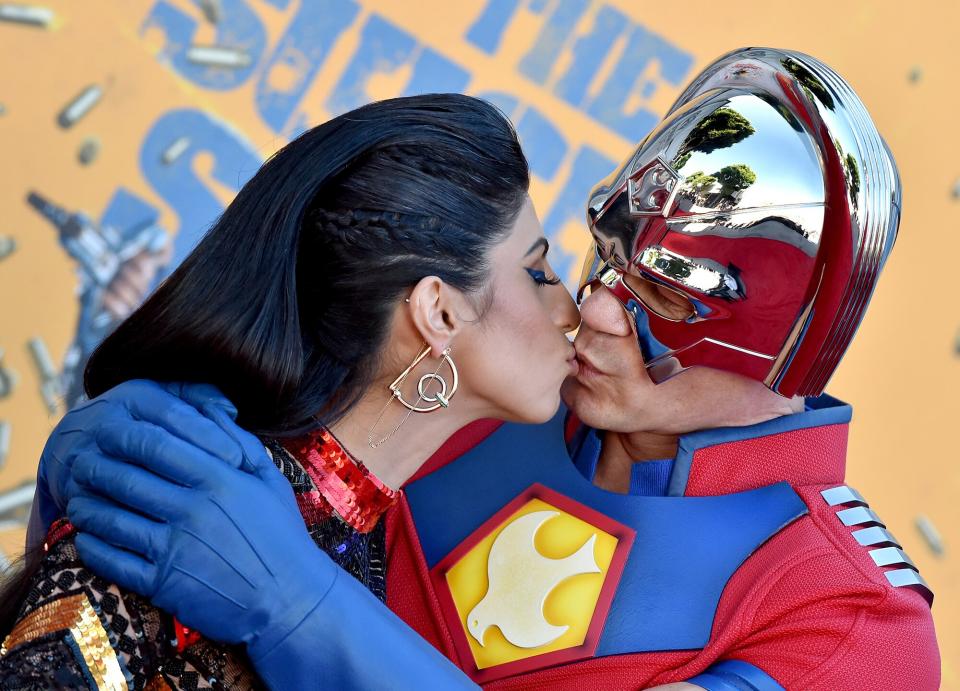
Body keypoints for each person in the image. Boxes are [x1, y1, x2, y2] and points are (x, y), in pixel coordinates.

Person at [23, 48, 940, 689]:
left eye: (658, 308)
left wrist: (297, 606)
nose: (597, 315)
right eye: (592, 266)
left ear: (780, 362)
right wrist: (122, 457)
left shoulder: (854, 615)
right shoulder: (497, 382)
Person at [0, 93, 581, 690]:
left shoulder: (360, 540)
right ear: (439, 312)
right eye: (537, 274)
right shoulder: (186, 506)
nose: (569, 308)